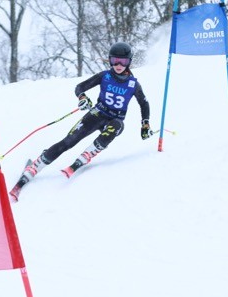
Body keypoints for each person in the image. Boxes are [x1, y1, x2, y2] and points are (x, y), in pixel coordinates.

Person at [10, 41, 151, 201]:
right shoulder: (104, 76)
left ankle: (87, 155)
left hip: (115, 120)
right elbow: (79, 87)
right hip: (97, 113)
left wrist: (145, 124)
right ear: (110, 60)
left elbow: (144, 103)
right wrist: (82, 97)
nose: (118, 65)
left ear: (129, 62)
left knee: (116, 126)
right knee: (68, 142)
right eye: (114, 61)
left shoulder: (133, 84)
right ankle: (36, 165)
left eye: (123, 61)